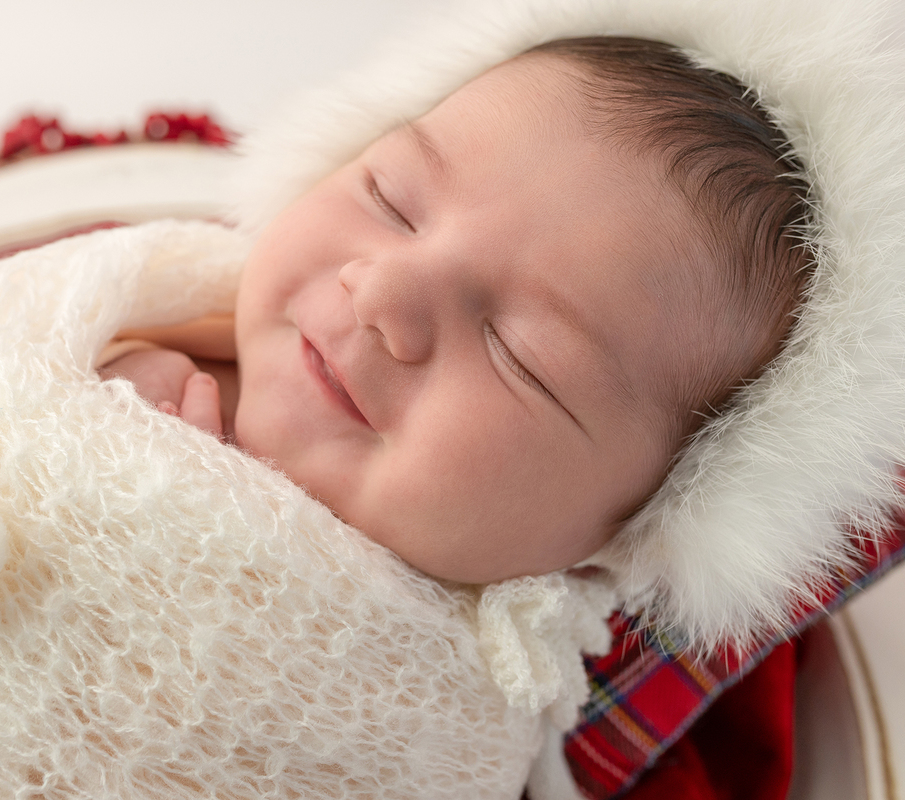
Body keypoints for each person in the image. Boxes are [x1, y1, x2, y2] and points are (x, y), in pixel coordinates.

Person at [101, 36, 811, 589]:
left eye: (518, 351)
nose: (381, 294)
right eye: (390, 200)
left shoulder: (476, 677)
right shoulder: (135, 304)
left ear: (636, 524)